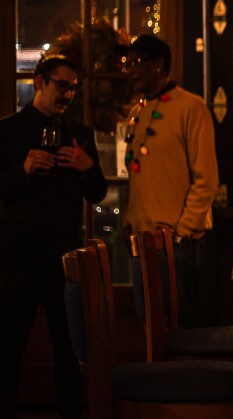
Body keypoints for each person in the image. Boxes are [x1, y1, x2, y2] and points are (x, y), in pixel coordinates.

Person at [0, 55, 108, 419]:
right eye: (62, 86)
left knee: (69, 346)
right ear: (39, 82)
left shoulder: (80, 134)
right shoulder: (8, 131)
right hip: (18, 258)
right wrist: (24, 170)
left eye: (73, 88)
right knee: (9, 345)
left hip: (65, 258)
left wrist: (87, 167)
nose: (68, 94)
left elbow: (97, 193)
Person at [122, 34, 218, 328]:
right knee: (150, 330)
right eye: (129, 63)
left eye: (139, 62)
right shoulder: (137, 113)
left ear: (159, 65)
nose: (132, 70)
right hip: (140, 239)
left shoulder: (191, 107)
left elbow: (207, 178)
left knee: (181, 331)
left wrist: (183, 232)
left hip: (175, 241)